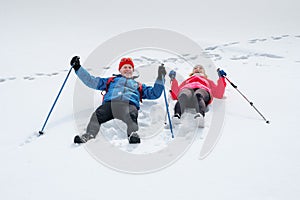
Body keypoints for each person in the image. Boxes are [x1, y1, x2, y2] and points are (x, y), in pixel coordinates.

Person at [71, 56, 166, 144]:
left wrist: (160, 78)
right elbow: (92, 81)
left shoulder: (138, 85)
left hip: (128, 105)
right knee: (97, 115)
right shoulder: (111, 80)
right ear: (120, 70)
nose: (127, 69)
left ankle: (132, 134)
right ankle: (89, 134)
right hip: (111, 104)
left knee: (132, 116)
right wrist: (78, 68)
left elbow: (154, 93)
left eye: (130, 67)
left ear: (133, 70)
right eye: (125, 67)